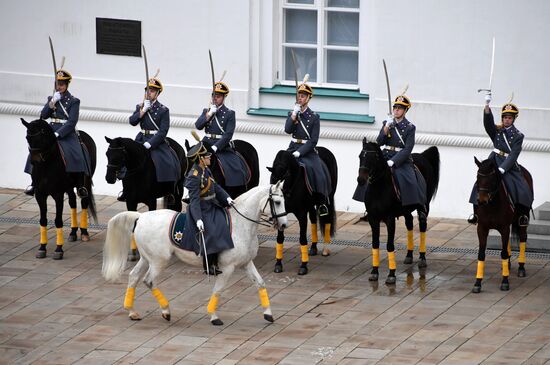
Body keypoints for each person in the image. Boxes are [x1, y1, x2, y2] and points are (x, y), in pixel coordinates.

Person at [467, 93, 533, 225]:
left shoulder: (518, 136)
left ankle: (522, 216)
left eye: (509, 118)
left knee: (520, 186)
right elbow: (488, 125)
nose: (507, 120)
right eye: (505, 117)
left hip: (508, 164)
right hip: (493, 160)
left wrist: (503, 169)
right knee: (480, 182)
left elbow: (514, 154)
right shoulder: (497, 131)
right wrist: (487, 108)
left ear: (513, 119)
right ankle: (476, 214)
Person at [24, 69, 90, 197]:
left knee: (77, 154)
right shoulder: (52, 98)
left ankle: (80, 185)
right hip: (49, 130)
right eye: (57, 84)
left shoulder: (73, 101)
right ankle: (34, 182)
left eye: (62, 84)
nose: (59, 87)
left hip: (66, 132)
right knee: (34, 150)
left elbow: (72, 121)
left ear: (67, 85)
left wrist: (58, 134)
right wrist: (52, 103)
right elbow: (43, 115)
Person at [356, 94, 427, 211]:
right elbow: (379, 142)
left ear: (405, 111)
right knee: (369, 172)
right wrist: (386, 128)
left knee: (409, 180)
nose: (396, 110)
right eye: (395, 108)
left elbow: (408, 148)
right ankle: (369, 204)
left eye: (400, 108)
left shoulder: (410, 127)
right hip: (385, 155)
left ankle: (411, 204)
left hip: (401, 159)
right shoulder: (387, 123)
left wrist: (394, 161)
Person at [122, 77, 181, 202]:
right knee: (127, 158)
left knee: (166, 162)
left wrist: (150, 143)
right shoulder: (140, 106)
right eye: (148, 90)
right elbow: (132, 121)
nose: (149, 93)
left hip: (156, 141)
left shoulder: (163, 110)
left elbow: (163, 131)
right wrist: (143, 111)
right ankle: (126, 189)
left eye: (153, 91)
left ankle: (169, 190)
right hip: (141, 138)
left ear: (158, 93)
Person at [181, 142, 235, 275]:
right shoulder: (194, 176)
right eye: (207, 157)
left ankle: (215, 261)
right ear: (201, 159)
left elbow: (215, 187)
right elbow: (194, 201)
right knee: (210, 231)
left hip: (213, 204)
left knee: (222, 223)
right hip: (201, 208)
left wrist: (227, 198)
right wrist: (198, 219)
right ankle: (208, 265)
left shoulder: (206, 169)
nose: (210, 158)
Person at [285, 82, 331, 215]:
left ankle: (321, 203)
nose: (300, 98)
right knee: (280, 166)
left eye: (303, 96)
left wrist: (300, 152)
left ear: (309, 98)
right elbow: (287, 130)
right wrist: (294, 115)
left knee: (319, 173)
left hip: (307, 151)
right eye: (299, 95)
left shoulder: (314, 117)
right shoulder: (293, 114)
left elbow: (313, 140)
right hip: (292, 147)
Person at [195, 81, 249, 189]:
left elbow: (228, 135)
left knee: (234, 167)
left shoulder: (229, 113)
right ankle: (192, 188)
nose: (215, 98)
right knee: (192, 161)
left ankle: (234, 188)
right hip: (206, 143)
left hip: (221, 146)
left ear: (224, 97)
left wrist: (216, 147)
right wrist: (209, 115)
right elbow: (198, 125)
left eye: (218, 96)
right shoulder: (207, 111)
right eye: (214, 96)